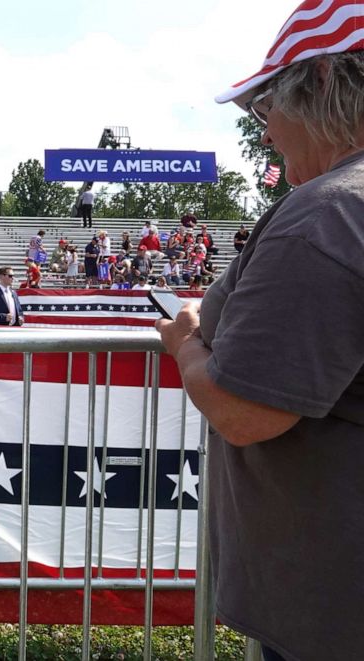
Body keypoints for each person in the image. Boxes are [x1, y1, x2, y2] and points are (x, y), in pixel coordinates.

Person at [159, 5, 364, 658]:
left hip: (332, 613)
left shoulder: (327, 216)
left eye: (265, 104)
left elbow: (246, 411)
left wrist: (186, 341)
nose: (267, 130)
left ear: (325, 83)